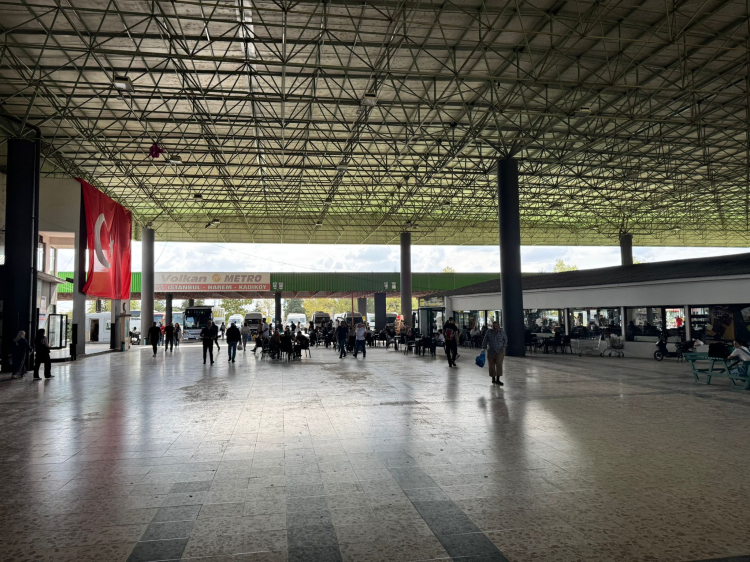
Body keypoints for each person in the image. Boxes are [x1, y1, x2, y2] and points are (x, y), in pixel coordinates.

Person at [482, 321, 508, 385]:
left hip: (500, 351)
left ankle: (498, 379)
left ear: (498, 326)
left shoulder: (502, 332)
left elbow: (505, 339)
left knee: (499, 364)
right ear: (492, 326)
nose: (495, 327)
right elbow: (485, 340)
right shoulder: (488, 332)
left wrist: (504, 346)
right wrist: (483, 347)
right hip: (491, 351)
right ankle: (493, 378)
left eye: (496, 326)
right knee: (491, 365)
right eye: (494, 326)